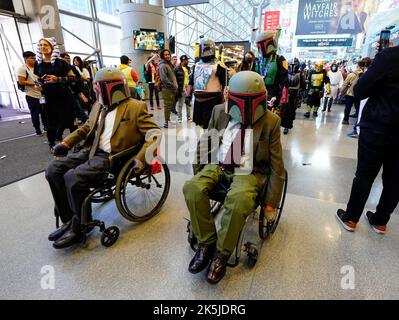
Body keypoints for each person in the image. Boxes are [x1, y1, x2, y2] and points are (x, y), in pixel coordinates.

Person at [183, 71, 285, 284]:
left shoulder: (271, 121)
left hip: (249, 171)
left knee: (239, 200)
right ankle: (206, 242)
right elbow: (206, 142)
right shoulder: (219, 111)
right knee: (192, 187)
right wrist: (199, 169)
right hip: (218, 164)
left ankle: (221, 253)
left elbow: (277, 167)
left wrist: (270, 204)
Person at [45, 68, 161, 249]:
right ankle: (69, 219)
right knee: (53, 170)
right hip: (91, 150)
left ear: (110, 88)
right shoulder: (98, 105)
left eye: (98, 87)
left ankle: (80, 227)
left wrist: (141, 158)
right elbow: (86, 128)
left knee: (72, 177)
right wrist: (65, 144)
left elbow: (154, 134)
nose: (95, 91)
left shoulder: (136, 107)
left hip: (114, 157)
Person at [336, 44, 399, 235]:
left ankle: (351, 218)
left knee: (364, 174)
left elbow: (361, 89)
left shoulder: (389, 56)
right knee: (396, 179)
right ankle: (380, 222)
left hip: (378, 126)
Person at [34, 38, 78, 152]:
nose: (42, 47)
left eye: (45, 44)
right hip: (48, 97)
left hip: (64, 95)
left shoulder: (61, 62)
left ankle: (75, 143)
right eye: (41, 45)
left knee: (70, 120)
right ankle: (51, 143)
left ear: (52, 46)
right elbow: (38, 79)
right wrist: (38, 86)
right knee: (50, 121)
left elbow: (73, 78)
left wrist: (57, 79)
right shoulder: (38, 64)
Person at [254, 31, 290, 126]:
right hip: (256, 96)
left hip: (272, 96)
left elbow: (285, 83)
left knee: (270, 124)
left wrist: (283, 100)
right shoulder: (257, 61)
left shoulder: (280, 60)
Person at [190, 38, 227, 129]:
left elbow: (225, 84)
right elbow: (191, 81)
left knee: (212, 124)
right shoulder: (197, 64)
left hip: (213, 100)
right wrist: (188, 95)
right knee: (203, 125)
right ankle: (206, 139)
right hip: (198, 100)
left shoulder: (219, 65)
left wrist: (226, 99)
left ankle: (211, 140)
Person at [17, 51, 47, 136]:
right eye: (32, 58)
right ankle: (37, 130)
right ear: (26, 59)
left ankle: (46, 127)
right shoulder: (23, 69)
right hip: (31, 96)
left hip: (41, 94)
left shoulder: (38, 67)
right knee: (35, 114)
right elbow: (21, 81)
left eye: (34, 58)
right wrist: (34, 84)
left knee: (44, 113)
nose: (34, 59)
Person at [158, 49, 178, 128]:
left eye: (168, 54)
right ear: (163, 56)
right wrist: (173, 86)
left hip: (171, 89)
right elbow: (164, 79)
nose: (167, 56)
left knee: (169, 105)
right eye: (165, 55)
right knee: (167, 106)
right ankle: (166, 122)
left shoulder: (168, 64)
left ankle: (168, 120)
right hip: (167, 89)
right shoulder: (163, 65)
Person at [285, 57, 303, 134]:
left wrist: (301, 97)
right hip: (287, 93)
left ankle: (288, 124)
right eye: (291, 65)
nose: (292, 66)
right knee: (286, 110)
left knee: (292, 111)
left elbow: (303, 85)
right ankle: (286, 125)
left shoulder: (300, 74)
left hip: (296, 94)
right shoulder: (285, 73)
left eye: (294, 65)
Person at [174, 54, 191, 123]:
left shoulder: (188, 68)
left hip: (188, 89)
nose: (188, 61)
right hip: (181, 89)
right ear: (184, 60)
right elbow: (174, 79)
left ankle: (189, 117)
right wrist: (177, 89)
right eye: (187, 60)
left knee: (188, 104)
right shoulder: (177, 68)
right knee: (180, 104)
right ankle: (179, 118)